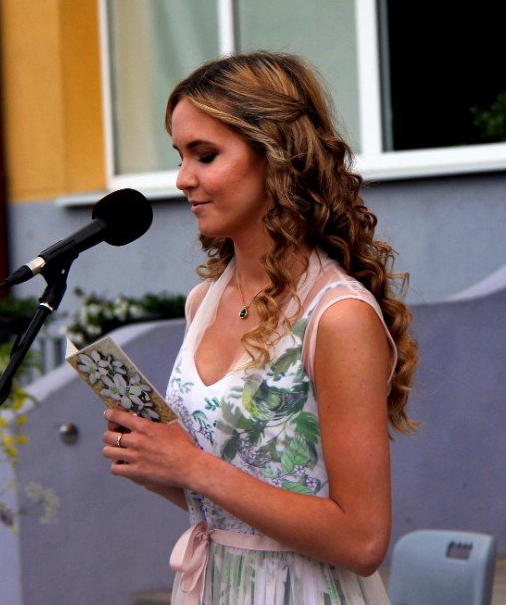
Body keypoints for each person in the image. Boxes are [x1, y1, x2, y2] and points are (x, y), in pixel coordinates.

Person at [100, 52, 418, 605]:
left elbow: (363, 540)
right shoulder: (204, 301)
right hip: (213, 584)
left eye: (205, 155)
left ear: (276, 155)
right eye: (180, 156)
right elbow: (241, 502)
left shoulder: (338, 316)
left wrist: (193, 467)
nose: (183, 179)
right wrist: (160, 465)